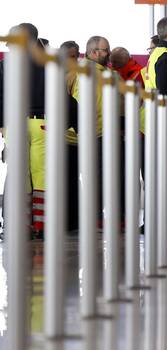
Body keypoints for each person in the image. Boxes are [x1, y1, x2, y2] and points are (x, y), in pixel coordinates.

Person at [0, 23, 79, 239]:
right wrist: (72, 122)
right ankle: (41, 225)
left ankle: (21, 226)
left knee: (20, 174)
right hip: (43, 123)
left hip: (14, 124)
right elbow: (63, 98)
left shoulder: (6, 65)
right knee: (42, 174)